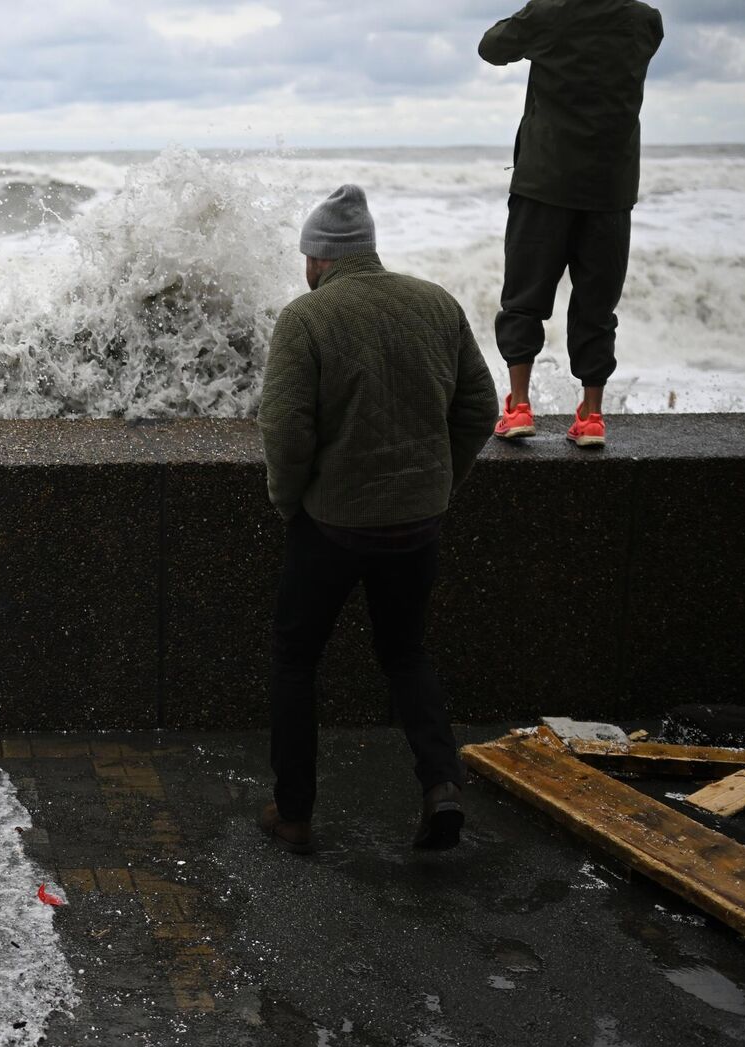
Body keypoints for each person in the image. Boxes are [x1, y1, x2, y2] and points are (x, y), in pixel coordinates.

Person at [257, 185, 498, 854]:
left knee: (296, 659)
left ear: (317, 258)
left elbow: (285, 430)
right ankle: (441, 785)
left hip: (332, 526)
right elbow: (480, 408)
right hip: (417, 524)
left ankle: (295, 812)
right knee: (406, 652)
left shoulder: (305, 319)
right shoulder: (435, 303)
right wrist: (436, 482)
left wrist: (290, 502)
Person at [481, 0, 664, 448]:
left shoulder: (548, 14)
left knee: (524, 298)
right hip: (610, 189)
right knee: (597, 306)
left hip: (545, 182)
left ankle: (520, 406)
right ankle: (591, 415)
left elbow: (492, 47)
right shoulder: (645, 20)